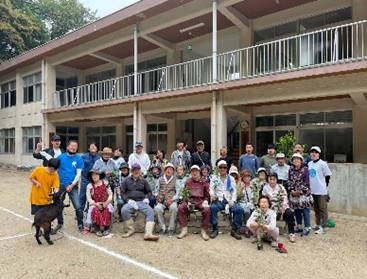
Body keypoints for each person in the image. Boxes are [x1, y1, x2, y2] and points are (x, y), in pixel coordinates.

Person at [51, 140, 84, 234]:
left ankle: (80, 224)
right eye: (72, 146)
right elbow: (54, 170)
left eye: (75, 146)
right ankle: (60, 223)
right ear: (67, 147)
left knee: (78, 206)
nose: (73, 148)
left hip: (72, 185)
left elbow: (78, 174)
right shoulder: (60, 157)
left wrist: (72, 184)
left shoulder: (79, 159)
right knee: (58, 205)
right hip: (60, 185)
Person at [120, 163, 159, 241]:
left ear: (140, 171)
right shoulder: (126, 181)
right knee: (124, 210)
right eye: (134, 170)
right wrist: (128, 200)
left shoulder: (144, 181)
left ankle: (148, 233)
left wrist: (147, 198)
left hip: (141, 201)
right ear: (131, 171)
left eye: (138, 170)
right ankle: (130, 230)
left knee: (150, 210)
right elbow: (122, 193)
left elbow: (149, 192)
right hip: (130, 202)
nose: (136, 171)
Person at [209, 160, 244, 240]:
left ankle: (235, 229)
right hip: (218, 200)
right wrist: (213, 195)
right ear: (218, 168)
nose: (222, 169)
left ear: (227, 168)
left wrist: (233, 200)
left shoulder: (231, 178)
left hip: (228, 200)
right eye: (220, 167)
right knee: (212, 208)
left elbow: (234, 190)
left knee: (239, 209)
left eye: (224, 167)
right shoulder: (214, 178)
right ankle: (215, 228)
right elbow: (211, 188)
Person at [177, 165, 211, 241]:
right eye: (193, 171)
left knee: (207, 210)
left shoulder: (204, 181)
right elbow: (185, 193)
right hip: (191, 201)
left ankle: (203, 230)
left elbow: (207, 193)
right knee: (181, 208)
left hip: (201, 201)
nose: (194, 173)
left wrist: (206, 200)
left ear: (199, 172)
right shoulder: (188, 181)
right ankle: (184, 230)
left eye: (196, 171)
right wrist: (188, 201)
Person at [262, 173, 296, 243]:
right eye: (270, 179)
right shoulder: (265, 187)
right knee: (268, 214)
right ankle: (268, 233)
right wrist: (269, 205)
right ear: (268, 180)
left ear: (276, 180)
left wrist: (283, 207)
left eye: (273, 179)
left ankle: (291, 233)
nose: (272, 181)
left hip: (281, 204)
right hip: (270, 205)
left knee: (289, 213)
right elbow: (264, 198)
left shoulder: (280, 187)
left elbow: (285, 197)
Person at [308, 146, 332, 235]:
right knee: (316, 208)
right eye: (312, 152)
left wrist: (324, 186)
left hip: (321, 190)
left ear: (319, 154)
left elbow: (328, 176)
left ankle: (324, 226)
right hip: (312, 190)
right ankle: (317, 224)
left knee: (323, 208)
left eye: (315, 152)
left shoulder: (323, 164)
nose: (313, 154)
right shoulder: (310, 164)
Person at [288, 153, 313, 237]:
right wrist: (291, 190)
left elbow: (306, 182)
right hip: (294, 194)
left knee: (305, 211)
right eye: (294, 159)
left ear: (301, 160)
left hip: (303, 194)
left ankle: (307, 227)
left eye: (298, 159)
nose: (296, 160)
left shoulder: (305, 169)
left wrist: (299, 191)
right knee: (296, 210)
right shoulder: (291, 169)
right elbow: (290, 180)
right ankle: (299, 226)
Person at [84, 169, 113, 236]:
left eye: (96, 174)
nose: (95, 176)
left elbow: (110, 194)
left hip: (105, 202)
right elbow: (88, 198)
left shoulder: (105, 183)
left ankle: (106, 228)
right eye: (93, 175)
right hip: (95, 203)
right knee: (95, 210)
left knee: (106, 210)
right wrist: (96, 204)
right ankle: (97, 228)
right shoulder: (89, 186)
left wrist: (106, 202)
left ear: (99, 175)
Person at [154, 163, 178, 237]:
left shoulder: (175, 180)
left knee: (174, 208)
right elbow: (155, 190)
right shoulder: (160, 179)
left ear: (173, 172)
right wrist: (157, 196)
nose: (169, 171)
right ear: (164, 170)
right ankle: (162, 228)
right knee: (157, 209)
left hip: (172, 200)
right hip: (162, 200)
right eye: (167, 169)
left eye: (171, 169)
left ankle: (171, 228)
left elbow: (178, 193)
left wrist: (172, 199)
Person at [80, 142, 100, 212]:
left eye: (95, 146)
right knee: (82, 196)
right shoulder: (84, 156)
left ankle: (91, 211)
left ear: (97, 149)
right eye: (91, 146)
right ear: (88, 148)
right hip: (85, 180)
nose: (93, 147)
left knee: (94, 196)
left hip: (95, 180)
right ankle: (80, 212)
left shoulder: (99, 158)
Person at [238, 169, 255, 238]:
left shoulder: (254, 185)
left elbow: (256, 196)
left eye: (248, 176)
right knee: (247, 211)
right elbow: (237, 197)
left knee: (256, 211)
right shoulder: (240, 184)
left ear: (250, 177)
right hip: (243, 203)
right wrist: (241, 189)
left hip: (252, 203)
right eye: (244, 177)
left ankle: (254, 228)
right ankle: (247, 228)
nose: (246, 178)